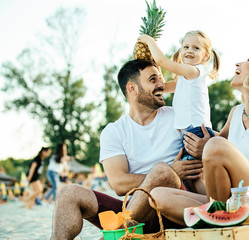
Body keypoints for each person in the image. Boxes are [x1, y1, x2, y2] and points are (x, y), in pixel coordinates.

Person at [49, 59, 206, 240]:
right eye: (153, 79)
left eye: (161, 79)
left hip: (172, 207)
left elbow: (209, 136)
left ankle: (116, 235)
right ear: (132, 88)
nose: (161, 84)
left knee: (162, 171)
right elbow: (118, 183)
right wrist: (170, 171)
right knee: (68, 194)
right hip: (135, 213)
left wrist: (202, 147)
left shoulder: (177, 116)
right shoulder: (114, 131)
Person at [148, 47, 249, 226]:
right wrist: (202, 144)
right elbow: (219, 151)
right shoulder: (236, 112)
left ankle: (219, 218)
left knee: (215, 145)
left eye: (248, 60)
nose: (238, 63)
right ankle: (220, 216)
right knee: (157, 196)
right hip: (234, 198)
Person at [137, 30, 220, 191]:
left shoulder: (195, 71)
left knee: (195, 178)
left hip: (195, 131)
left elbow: (161, 60)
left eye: (196, 48)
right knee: (190, 179)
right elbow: (164, 87)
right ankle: (205, 206)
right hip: (189, 132)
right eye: (186, 47)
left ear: (206, 55)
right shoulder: (185, 78)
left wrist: (149, 41)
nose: (189, 50)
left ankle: (214, 205)